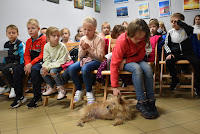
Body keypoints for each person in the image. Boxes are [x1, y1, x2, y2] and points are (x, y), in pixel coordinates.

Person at [110, 19, 159, 119]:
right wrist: (114, 87)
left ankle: (150, 100)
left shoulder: (142, 39)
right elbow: (114, 64)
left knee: (148, 69)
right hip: (121, 61)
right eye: (136, 38)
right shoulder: (122, 41)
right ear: (129, 34)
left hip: (131, 59)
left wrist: (127, 60)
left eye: (141, 39)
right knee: (137, 69)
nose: (139, 41)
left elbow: (141, 56)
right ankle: (141, 101)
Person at [66, 16, 105, 104]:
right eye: (84, 29)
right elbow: (80, 56)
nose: (86, 32)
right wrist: (83, 49)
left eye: (89, 30)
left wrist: (89, 49)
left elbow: (100, 56)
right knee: (71, 68)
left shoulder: (99, 40)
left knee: (85, 68)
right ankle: (79, 89)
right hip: (86, 60)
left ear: (94, 29)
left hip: (97, 61)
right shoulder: (83, 39)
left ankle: (89, 91)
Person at [10, 19, 46, 108]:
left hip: (40, 62)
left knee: (34, 70)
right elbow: (26, 54)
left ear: (38, 29)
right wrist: (27, 64)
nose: (30, 30)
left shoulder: (43, 39)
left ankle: (37, 96)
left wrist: (31, 64)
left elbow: (42, 54)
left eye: (33, 28)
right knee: (17, 69)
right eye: (28, 28)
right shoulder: (29, 41)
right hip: (30, 63)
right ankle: (19, 95)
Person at [164, 13, 200, 96]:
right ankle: (175, 80)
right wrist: (169, 53)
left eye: (176, 21)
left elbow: (191, 30)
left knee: (197, 62)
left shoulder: (186, 30)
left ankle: (197, 84)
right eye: (172, 21)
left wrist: (180, 23)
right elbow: (166, 44)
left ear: (181, 22)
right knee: (169, 61)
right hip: (176, 54)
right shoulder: (170, 32)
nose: (173, 23)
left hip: (188, 53)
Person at [41, 27, 72, 100]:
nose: (56, 38)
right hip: (52, 64)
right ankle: (52, 87)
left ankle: (61, 89)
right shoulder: (46, 46)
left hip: (63, 64)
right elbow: (46, 59)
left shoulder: (62, 46)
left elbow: (61, 61)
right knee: (42, 71)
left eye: (58, 36)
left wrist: (49, 67)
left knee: (53, 71)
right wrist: (46, 67)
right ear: (48, 37)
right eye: (54, 36)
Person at [0, 25, 25, 98]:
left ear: (17, 34)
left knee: (6, 69)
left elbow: (22, 56)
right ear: (6, 34)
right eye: (9, 33)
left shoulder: (20, 44)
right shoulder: (5, 44)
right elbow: (4, 56)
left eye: (13, 33)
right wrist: (4, 63)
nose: (11, 34)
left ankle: (13, 87)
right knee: (4, 67)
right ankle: (4, 86)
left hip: (16, 63)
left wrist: (21, 65)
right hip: (7, 63)